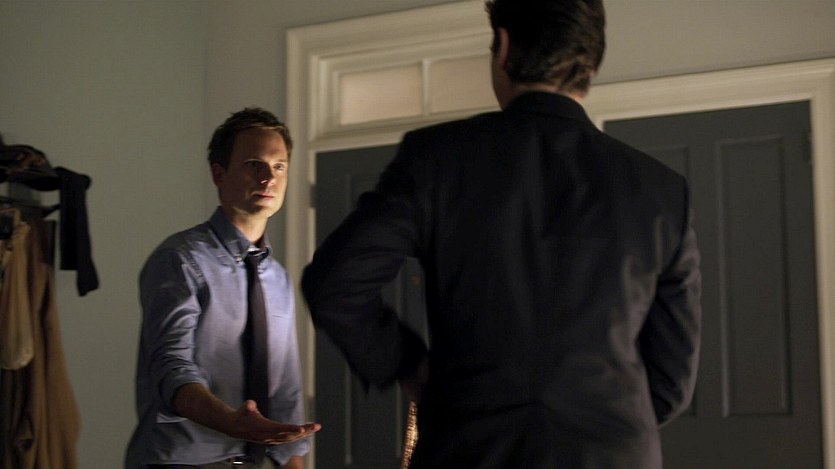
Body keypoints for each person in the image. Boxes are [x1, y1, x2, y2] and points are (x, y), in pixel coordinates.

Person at [301, 0, 701, 467]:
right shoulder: (661, 190)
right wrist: (608, 421)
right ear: (592, 63)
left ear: (504, 47)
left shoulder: (437, 158)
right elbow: (672, 381)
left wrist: (408, 365)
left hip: (468, 450)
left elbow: (335, 283)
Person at [126, 107, 320, 469]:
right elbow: (171, 367)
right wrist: (231, 422)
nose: (268, 178)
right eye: (254, 164)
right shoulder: (180, 259)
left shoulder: (277, 277)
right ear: (219, 174)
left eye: (279, 166)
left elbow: (285, 388)